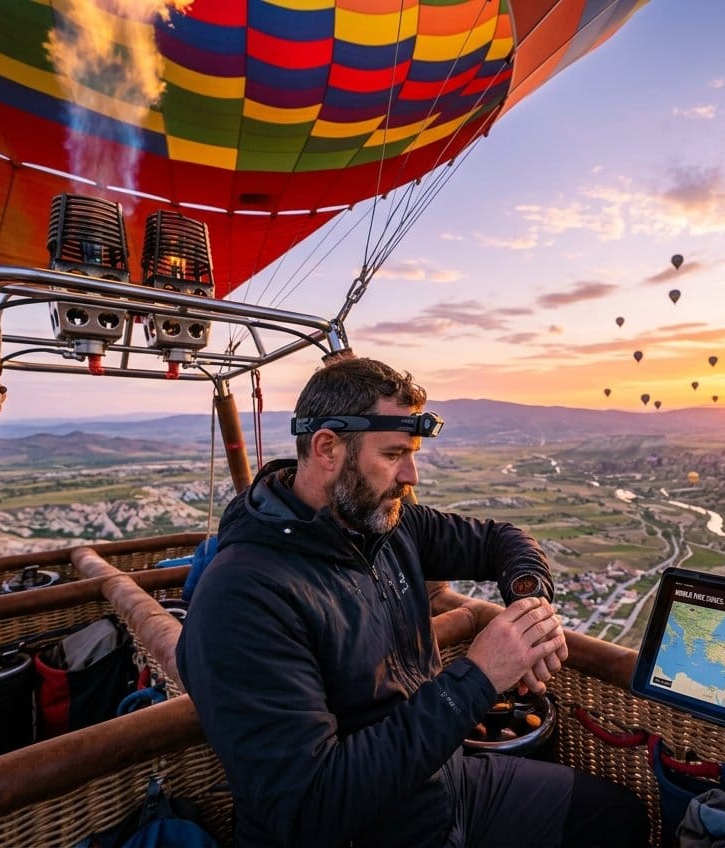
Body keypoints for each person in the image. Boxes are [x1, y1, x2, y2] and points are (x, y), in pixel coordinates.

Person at [176, 355, 648, 848]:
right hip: (367, 830)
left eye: (413, 452)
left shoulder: (386, 524)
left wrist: (529, 607)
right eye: (394, 454)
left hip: (445, 789)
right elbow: (310, 808)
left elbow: (503, 541)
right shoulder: (243, 597)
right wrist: (479, 678)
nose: (412, 475)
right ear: (327, 449)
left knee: (616, 820)